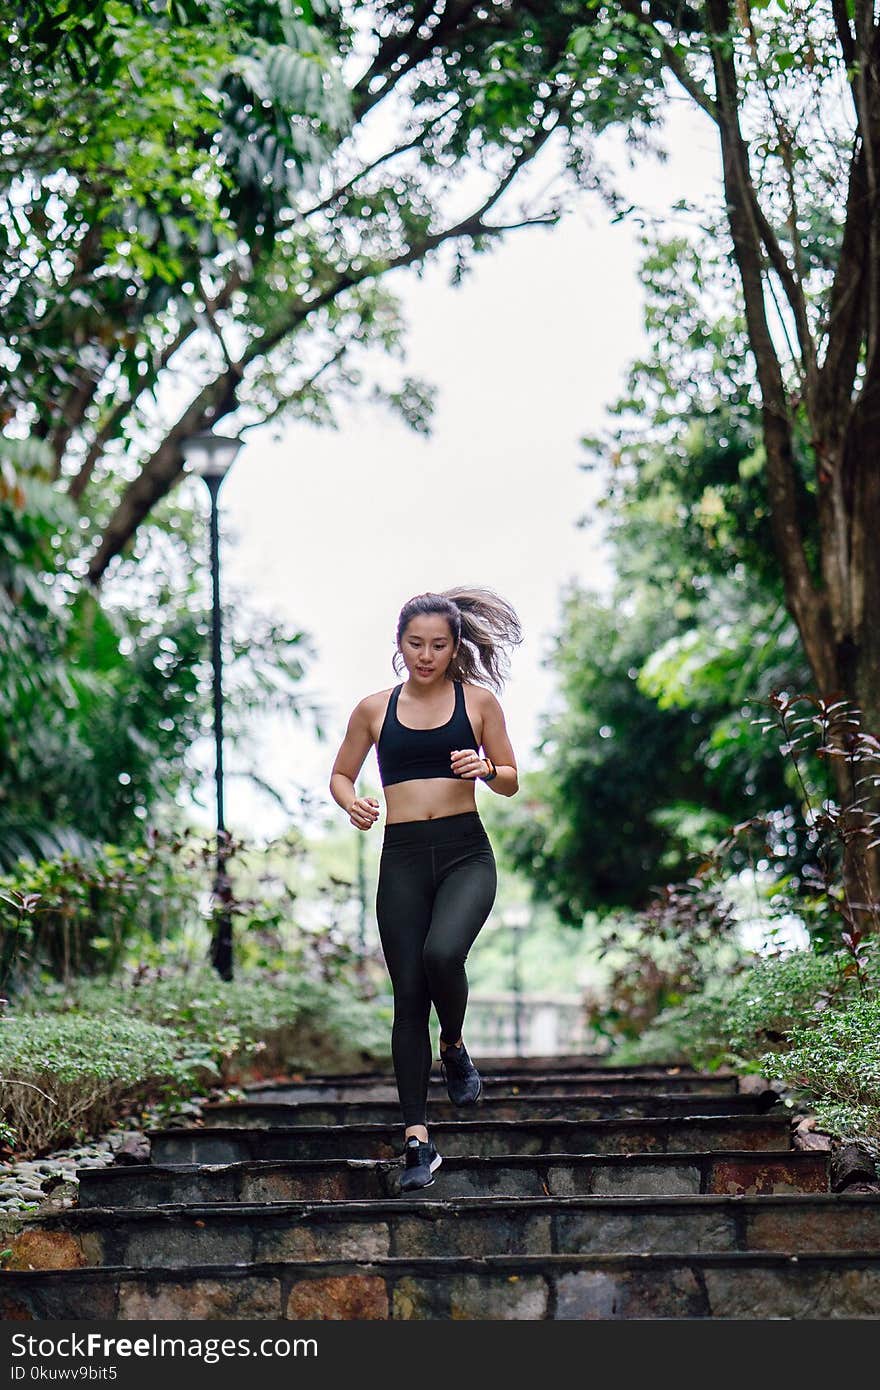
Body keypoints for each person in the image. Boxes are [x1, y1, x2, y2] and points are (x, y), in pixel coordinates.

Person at [329, 586, 522, 1191]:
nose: (427, 655)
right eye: (416, 644)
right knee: (408, 995)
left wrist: (487, 770)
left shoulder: (479, 702)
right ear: (399, 644)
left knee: (442, 954)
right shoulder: (373, 710)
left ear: (454, 645)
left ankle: (456, 1045)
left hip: (466, 852)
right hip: (403, 858)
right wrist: (353, 803)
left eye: (439, 644)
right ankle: (417, 1141)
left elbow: (513, 778)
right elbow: (340, 774)